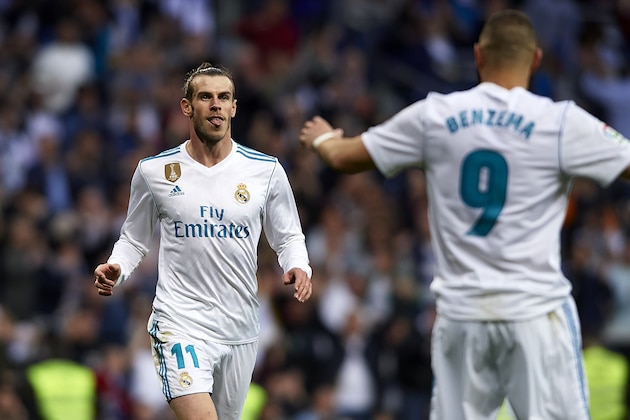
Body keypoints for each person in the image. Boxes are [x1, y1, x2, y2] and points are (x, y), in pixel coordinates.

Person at [299, 9, 630, 420]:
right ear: (536, 59)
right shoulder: (559, 122)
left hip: (461, 315)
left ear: (477, 55)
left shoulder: (435, 115)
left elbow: (344, 157)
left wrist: (322, 138)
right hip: (534, 312)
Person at [94, 62, 313, 420]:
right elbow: (134, 239)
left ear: (233, 107)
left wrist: (299, 267)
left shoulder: (266, 170)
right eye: (206, 97)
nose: (215, 104)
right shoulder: (155, 172)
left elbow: (288, 235)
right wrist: (118, 267)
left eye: (223, 97)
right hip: (180, 322)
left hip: (240, 327)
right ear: (186, 107)